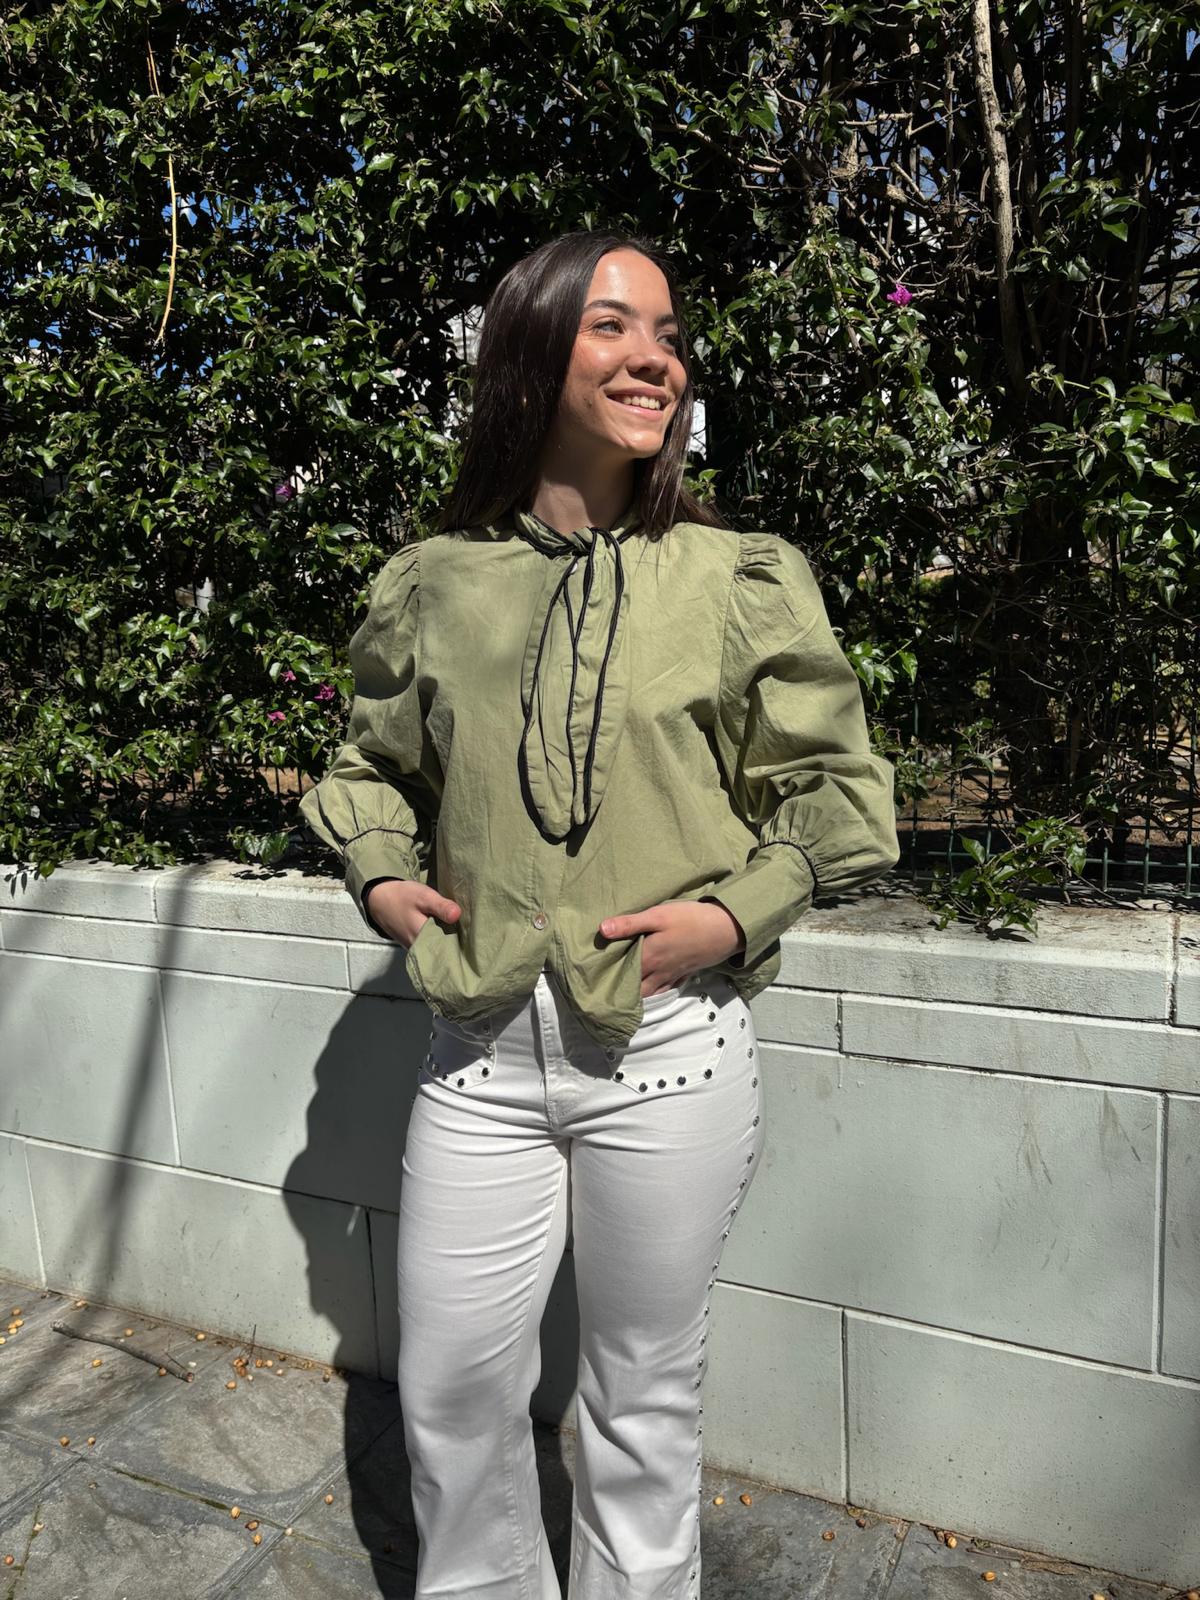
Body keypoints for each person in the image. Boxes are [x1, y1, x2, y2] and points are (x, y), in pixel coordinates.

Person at [298, 228, 900, 1600]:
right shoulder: (435, 580)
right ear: (530, 353)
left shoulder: (737, 575)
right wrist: (382, 877)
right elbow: (369, 766)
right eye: (614, 326)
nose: (655, 359)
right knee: (451, 1389)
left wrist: (734, 919)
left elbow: (835, 789)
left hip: (670, 1051)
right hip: (477, 1055)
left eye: (669, 335)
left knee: (641, 1401)